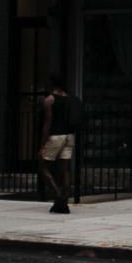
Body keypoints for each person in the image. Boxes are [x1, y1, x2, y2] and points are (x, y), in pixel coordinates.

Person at [39, 73, 75, 214]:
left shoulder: (50, 100)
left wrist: (42, 143)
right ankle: (63, 202)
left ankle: (58, 196)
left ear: (51, 84)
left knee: (43, 166)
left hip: (55, 136)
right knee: (65, 169)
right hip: (69, 136)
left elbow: (47, 122)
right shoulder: (69, 98)